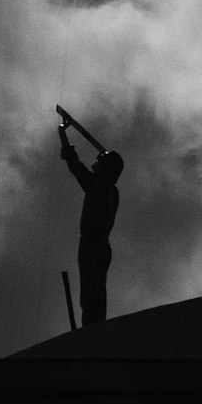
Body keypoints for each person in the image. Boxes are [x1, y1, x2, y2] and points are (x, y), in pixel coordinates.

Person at [57, 116, 124, 328]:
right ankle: (94, 327)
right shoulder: (107, 189)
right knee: (94, 293)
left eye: (100, 162)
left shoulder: (103, 189)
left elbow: (76, 167)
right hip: (98, 245)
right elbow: (77, 168)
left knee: (91, 293)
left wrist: (63, 136)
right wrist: (63, 136)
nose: (96, 163)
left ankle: (92, 331)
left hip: (93, 244)